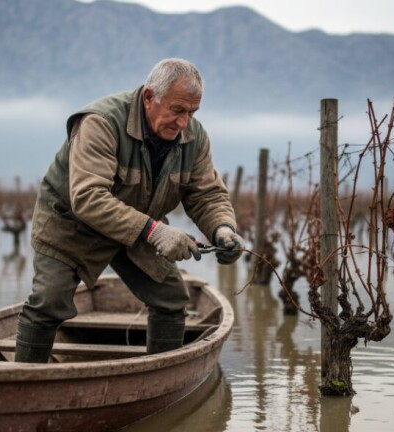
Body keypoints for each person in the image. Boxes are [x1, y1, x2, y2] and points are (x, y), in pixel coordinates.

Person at [15, 58, 245, 363]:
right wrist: (156, 230)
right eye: (178, 110)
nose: (183, 122)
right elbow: (88, 197)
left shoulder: (194, 137)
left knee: (172, 298)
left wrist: (223, 228)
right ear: (149, 97)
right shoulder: (101, 122)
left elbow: (207, 194)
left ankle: (161, 380)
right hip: (71, 225)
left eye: (192, 112)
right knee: (49, 302)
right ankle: (25, 383)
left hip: (137, 228)